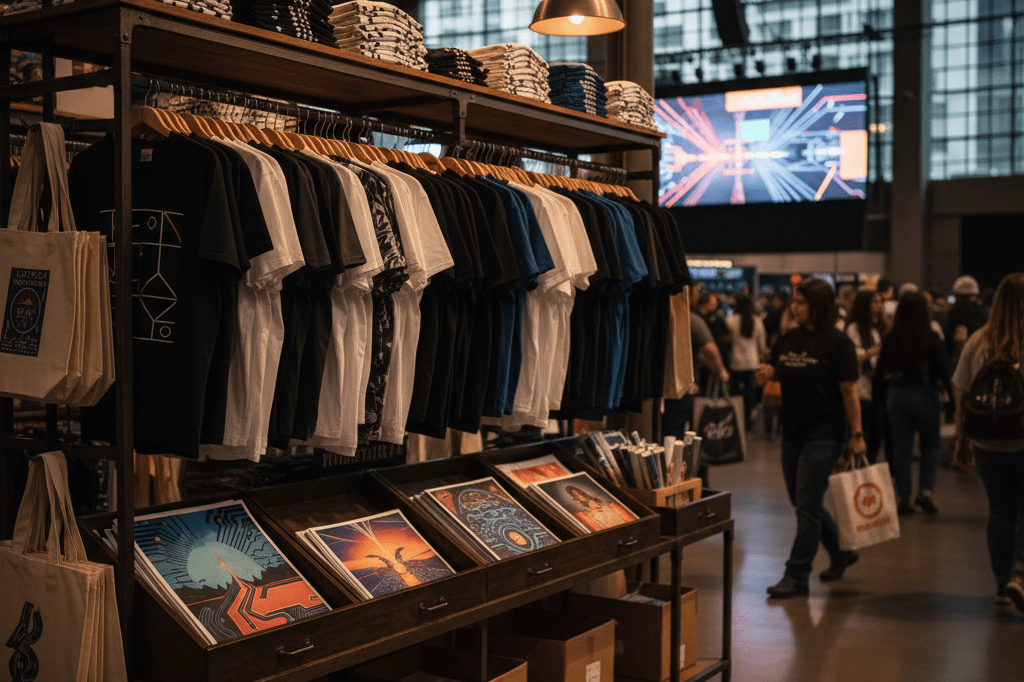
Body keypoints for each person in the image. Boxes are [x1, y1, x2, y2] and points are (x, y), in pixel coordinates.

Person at [755, 278, 864, 598]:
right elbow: (781, 369)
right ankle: (841, 552)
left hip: (825, 434)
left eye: (801, 302)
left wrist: (857, 434)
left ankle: (797, 574)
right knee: (803, 501)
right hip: (792, 432)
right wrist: (769, 373)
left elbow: (849, 391)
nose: (794, 307)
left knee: (807, 504)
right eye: (794, 301)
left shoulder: (838, 343)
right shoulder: (789, 337)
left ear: (818, 306)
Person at [952, 273, 1024, 612]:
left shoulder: (978, 340)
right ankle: (1020, 575)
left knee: (1001, 511)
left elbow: (961, 391)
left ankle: (1001, 583)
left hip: (986, 441)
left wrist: (961, 440)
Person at [876, 291, 953, 515]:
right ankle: (925, 491)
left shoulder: (891, 337)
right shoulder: (930, 337)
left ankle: (903, 497)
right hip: (925, 394)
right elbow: (945, 371)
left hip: (897, 395)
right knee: (931, 445)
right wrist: (953, 400)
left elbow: (880, 371)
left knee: (902, 447)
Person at [844, 289, 884, 463]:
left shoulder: (876, 329)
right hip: (860, 388)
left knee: (874, 436)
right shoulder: (853, 328)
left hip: (875, 387)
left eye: (880, 302)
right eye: (875, 302)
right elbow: (855, 355)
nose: (879, 306)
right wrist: (874, 351)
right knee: (862, 433)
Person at [727, 293, 767, 428]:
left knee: (736, 393)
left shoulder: (731, 321)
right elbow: (762, 345)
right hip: (752, 362)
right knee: (750, 393)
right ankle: (749, 419)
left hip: (736, 362)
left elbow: (727, 341)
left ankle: (737, 419)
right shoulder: (757, 321)